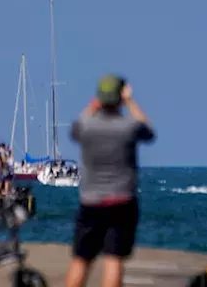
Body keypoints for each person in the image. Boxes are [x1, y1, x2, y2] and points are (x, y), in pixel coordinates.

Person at [65, 75, 155, 287]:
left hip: (90, 201)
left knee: (81, 260)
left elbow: (74, 129)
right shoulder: (128, 127)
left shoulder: (86, 126)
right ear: (119, 98)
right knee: (113, 260)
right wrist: (130, 101)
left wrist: (93, 104)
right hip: (122, 200)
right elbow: (149, 131)